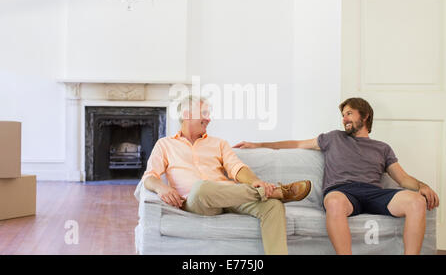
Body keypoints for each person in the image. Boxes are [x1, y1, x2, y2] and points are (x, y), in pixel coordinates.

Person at [234, 97, 439, 255]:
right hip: (343, 192)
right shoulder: (333, 138)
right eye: (343, 115)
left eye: (349, 113)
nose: (344, 119)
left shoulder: (382, 148)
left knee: (416, 202)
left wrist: (422, 185)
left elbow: (402, 179)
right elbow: (296, 144)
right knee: (333, 202)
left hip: (373, 193)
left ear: (365, 115)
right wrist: (258, 144)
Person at [141, 95, 312, 255]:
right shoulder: (165, 145)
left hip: (229, 196)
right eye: (204, 113)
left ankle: (273, 194)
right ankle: (278, 190)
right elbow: (149, 176)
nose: (209, 119)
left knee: (273, 206)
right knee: (201, 188)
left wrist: (255, 181)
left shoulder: (219, 143)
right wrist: (160, 187)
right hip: (198, 200)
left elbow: (236, 168)